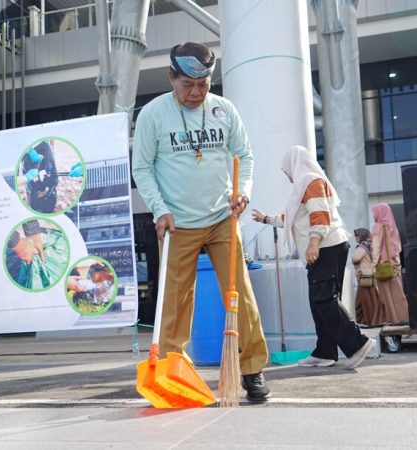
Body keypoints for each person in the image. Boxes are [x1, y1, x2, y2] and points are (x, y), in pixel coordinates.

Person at [132, 41, 270, 402]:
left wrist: (243, 191)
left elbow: (245, 155)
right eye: (188, 85)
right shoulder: (153, 114)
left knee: (240, 295)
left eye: (203, 85)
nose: (196, 93)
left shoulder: (224, 110)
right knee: (175, 304)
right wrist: (159, 209)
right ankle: (171, 371)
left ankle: (252, 369)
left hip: (223, 218)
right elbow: (142, 168)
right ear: (171, 78)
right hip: (176, 223)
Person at [252, 145, 376, 369]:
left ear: (295, 164)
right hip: (329, 247)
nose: (287, 175)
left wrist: (313, 243)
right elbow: (293, 218)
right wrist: (266, 219)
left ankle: (358, 343)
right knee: (319, 302)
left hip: (326, 247)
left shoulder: (310, 181)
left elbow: (320, 215)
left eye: (286, 170)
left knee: (324, 300)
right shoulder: (305, 185)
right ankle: (325, 352)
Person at [371, 203, 409, 324]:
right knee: (398, 293)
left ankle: (391, 319)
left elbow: (376, 248)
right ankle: (403, 317)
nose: (373, 215)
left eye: (375, 212)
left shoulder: (378, 227)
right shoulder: (392, 226)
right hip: (394, 265)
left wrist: (373, 265)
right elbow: (397, 249)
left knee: (386, 295)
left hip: (383, 265)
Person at [352, 228, 387, 327]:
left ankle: (369, 321)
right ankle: (367, 320)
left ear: (361, 236)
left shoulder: (362, 247)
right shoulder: (369, 245)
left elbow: (355, 258)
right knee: (370, 298)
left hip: (365, 276)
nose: (356, 238)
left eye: (357, 236)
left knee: (365, 300)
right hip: (369, 276)